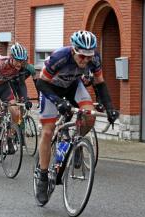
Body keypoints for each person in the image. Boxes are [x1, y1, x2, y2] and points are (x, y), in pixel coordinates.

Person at [34, 30, 119, 205]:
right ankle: (43, 177)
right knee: (48, 132)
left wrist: (110, 107)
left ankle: (77, 143)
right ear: (73, 50)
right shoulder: (60, 57)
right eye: (82, 56)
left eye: (89, 57)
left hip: (73, 86)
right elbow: (41, 83)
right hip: (50, 90)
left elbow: (100, 83)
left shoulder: (94, 58)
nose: (85, 61)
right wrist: (58, 102)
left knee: (89, 116)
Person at [0, 43, 32, 160]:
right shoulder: (0, 64)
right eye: (18, 61)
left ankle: (9, 138)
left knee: (16, 113)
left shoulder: (22, 67)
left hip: (4, 88)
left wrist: (26, 99)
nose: (20, 64)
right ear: (11, 58)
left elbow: (21, 84)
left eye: (22, 61)